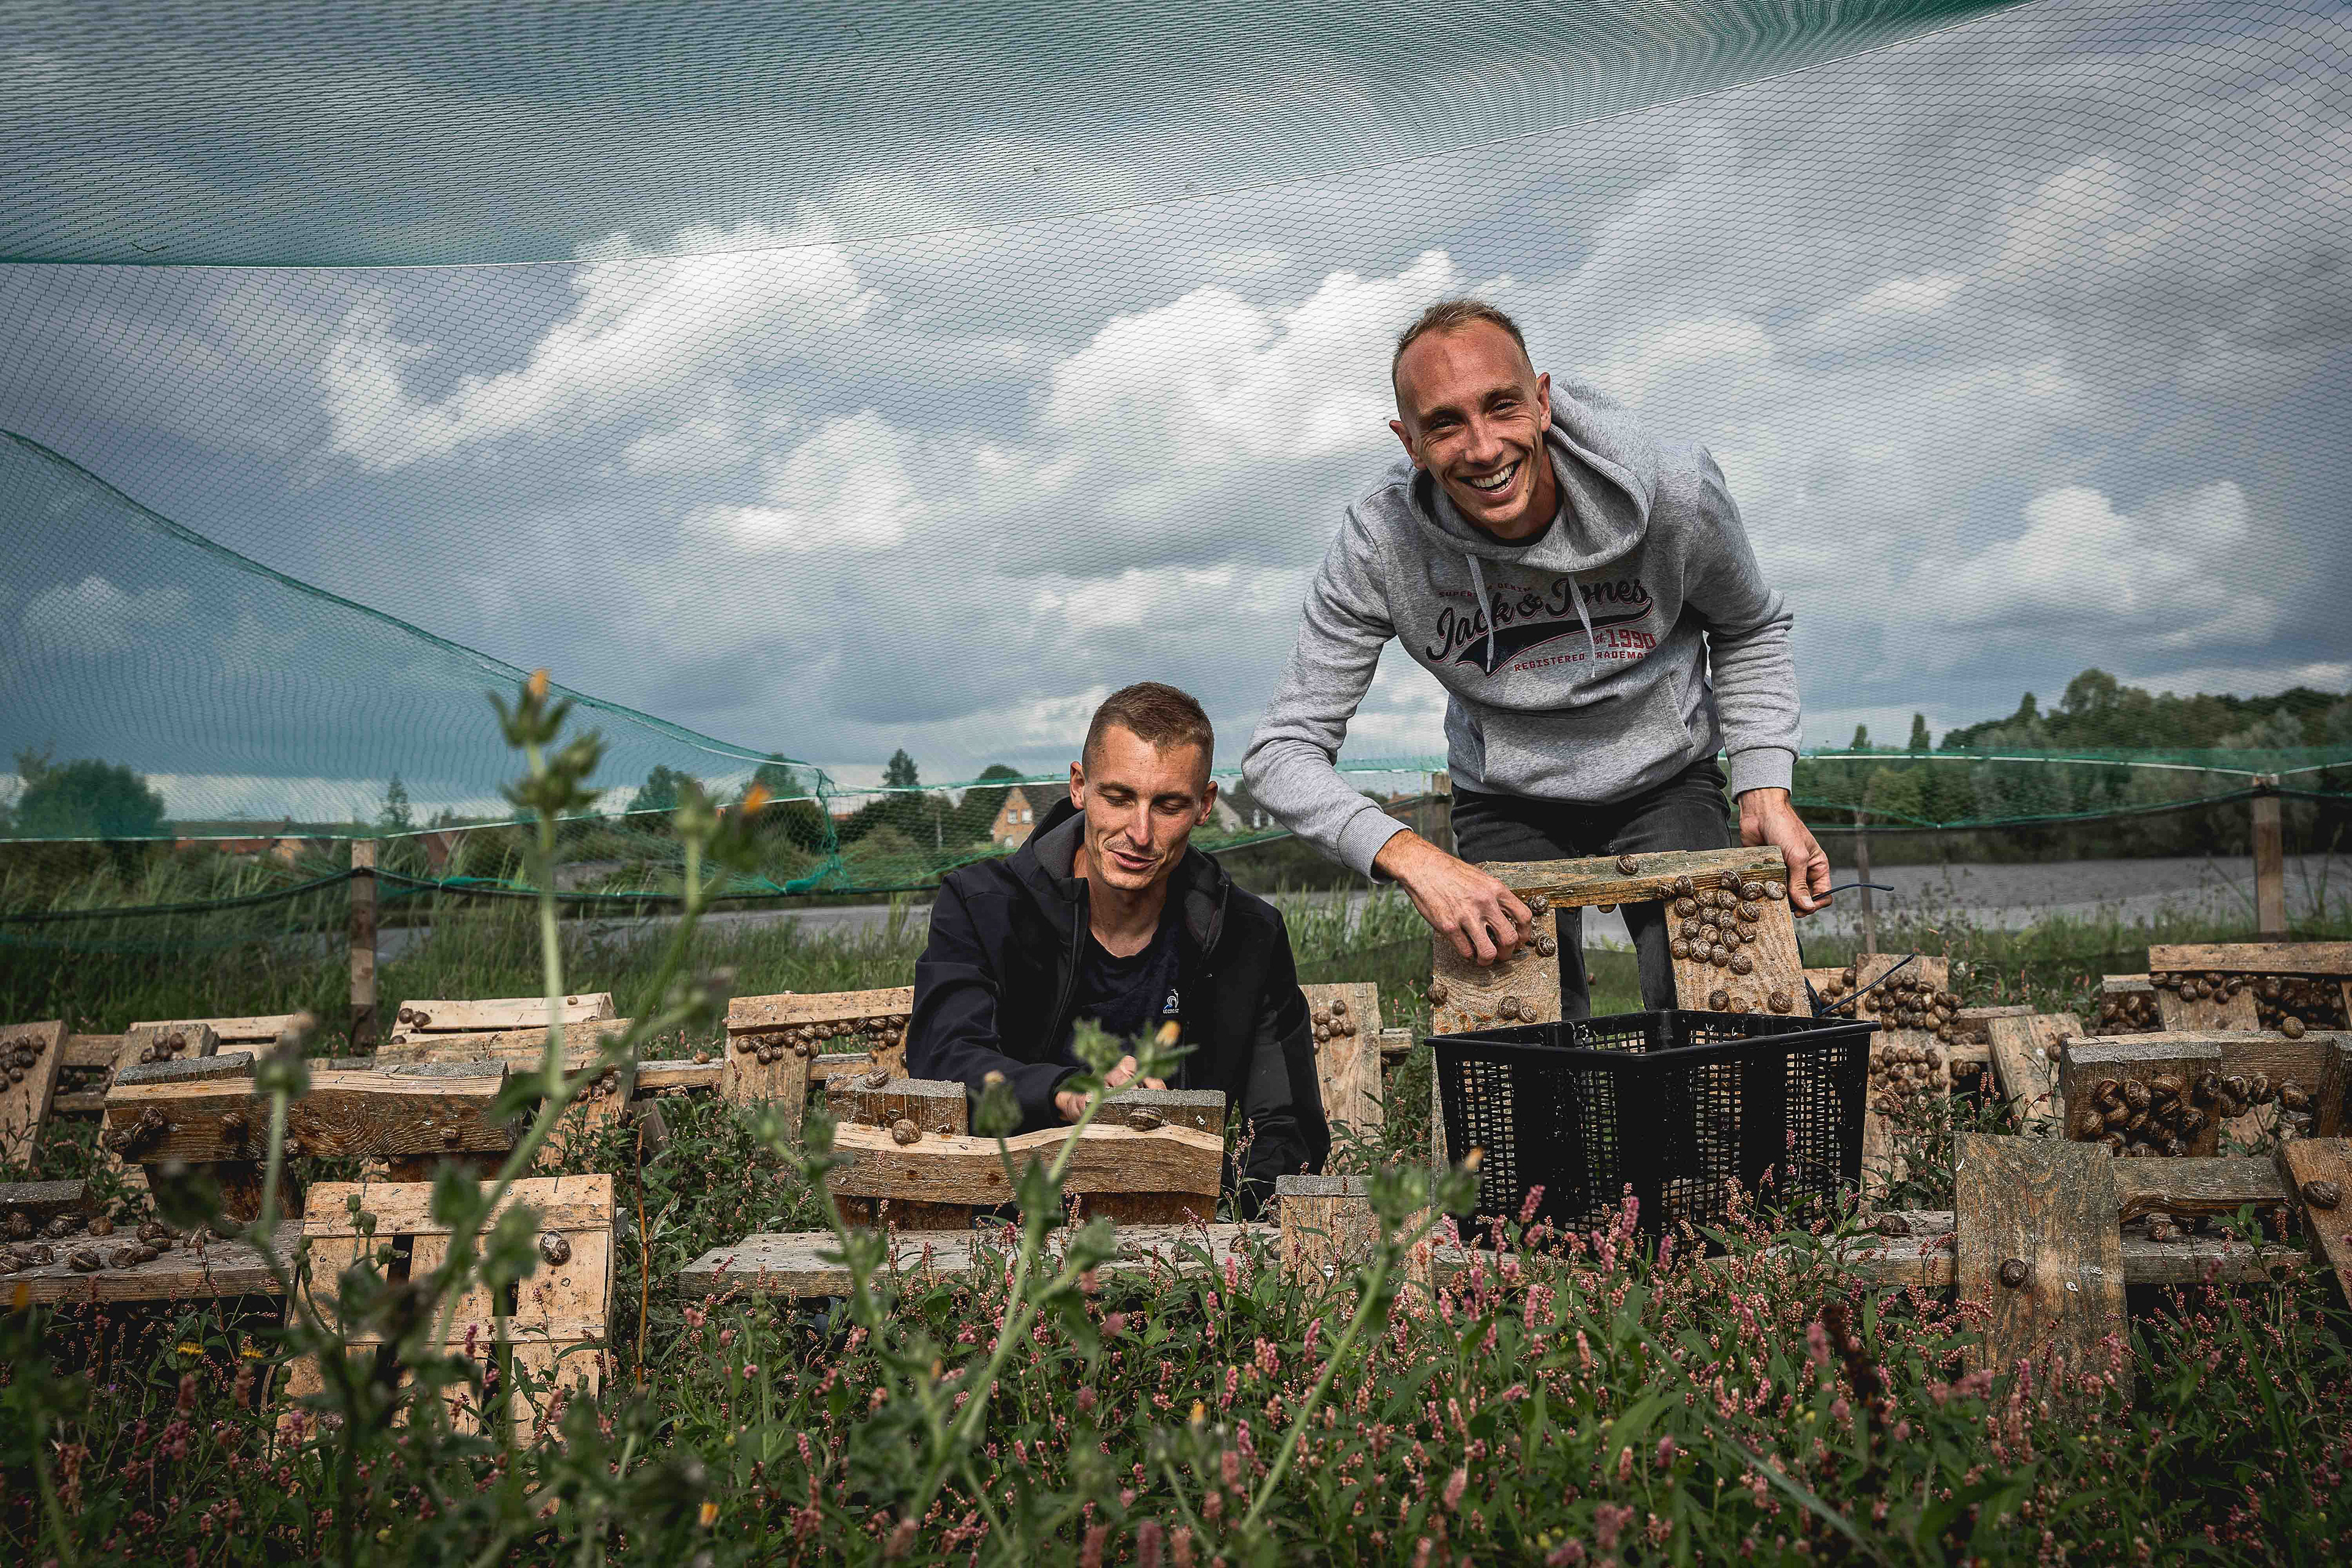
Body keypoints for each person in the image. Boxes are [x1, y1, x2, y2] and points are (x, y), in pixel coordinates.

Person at [1243, 299, 1830, 1016]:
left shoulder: (1674, 493)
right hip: (1506, 796)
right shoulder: (1380, 543)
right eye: (1445, 424)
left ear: (1543, 401)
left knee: (1722, 1006)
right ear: (1409, 443)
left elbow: (1749, 626)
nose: (1483, 448)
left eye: (1502, 406)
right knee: (1519, 1033)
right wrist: (1412, 857)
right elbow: (1282, 752)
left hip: (1667, 777)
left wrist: (1765, 786)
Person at [907, 681, 1329, 1213]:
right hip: (1007, 1226)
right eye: (1119, 798)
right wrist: (1066, 1092)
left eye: (1169, 805)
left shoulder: (1249, 934)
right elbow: (944, 1058)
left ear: (1204, 805)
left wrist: (1216, 1215)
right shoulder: (980, 905)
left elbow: (1289, 1129)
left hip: (1188, 1234)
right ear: (1079, 787)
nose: (1140, 833)